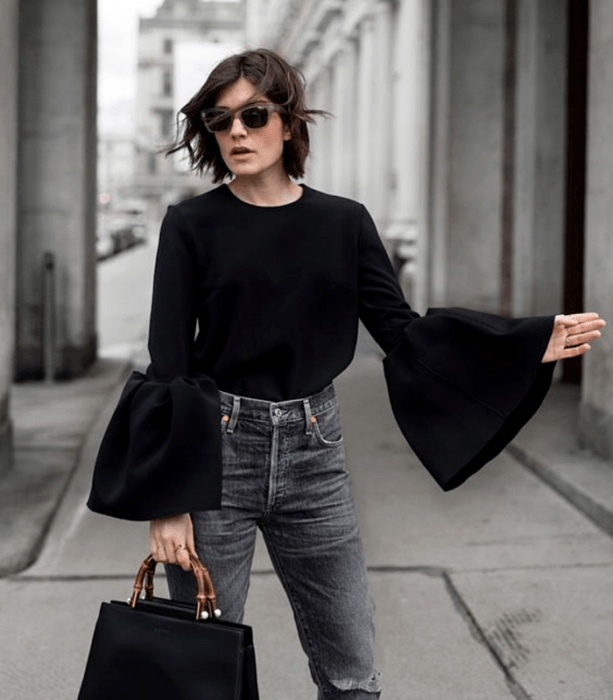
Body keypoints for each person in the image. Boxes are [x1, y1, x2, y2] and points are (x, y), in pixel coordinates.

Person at [87, 48, 605, 699]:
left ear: (287, 122)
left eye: (253, 114)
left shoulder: (343, 221)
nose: (237, 132)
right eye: (221, 120)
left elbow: (403, 332)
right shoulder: (191, 224)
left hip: (314, 456)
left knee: (351, 672)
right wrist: (168, 502)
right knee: (199, 667)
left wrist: (520, 342)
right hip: (215, 453)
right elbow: (168, 363)